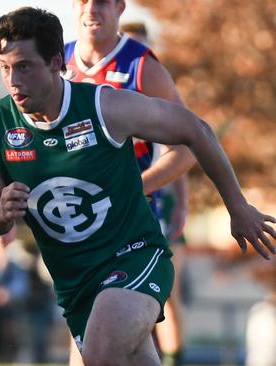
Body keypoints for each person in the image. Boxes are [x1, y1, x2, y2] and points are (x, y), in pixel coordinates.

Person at [0, 6, 276, 366]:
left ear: (56, 62)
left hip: (134, 256)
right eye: (5, 68)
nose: (13, 81)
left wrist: (237, 207)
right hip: (74, 284)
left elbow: (196, 131)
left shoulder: (104, 107)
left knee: (100, 357)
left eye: (24, 66)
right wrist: (1, 211)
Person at [65, 2, 193, 362]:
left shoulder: (142, 66)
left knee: (99, 344)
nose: (91, 8)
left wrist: (139, 187)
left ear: (120, 6)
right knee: (104, 343)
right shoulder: (55, 63)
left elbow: (188, 146)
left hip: (129, 229)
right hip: (74, 227)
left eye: (103, 0)